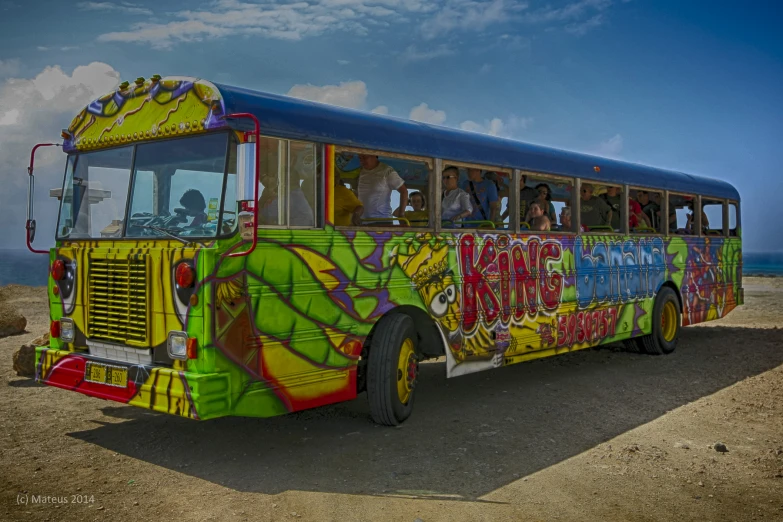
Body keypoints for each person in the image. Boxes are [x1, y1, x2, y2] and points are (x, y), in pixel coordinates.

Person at [356, 154, 408, 221]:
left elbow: (404, 191)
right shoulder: (362, 171)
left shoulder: (387, 171)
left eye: (365, 157)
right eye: (360, 158)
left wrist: (401, 215)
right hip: (363, 221)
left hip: (381, 221)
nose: (362, 160)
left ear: (374, 155)